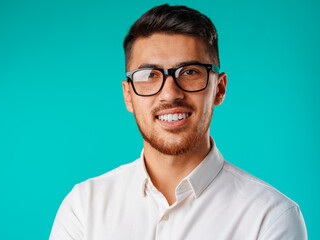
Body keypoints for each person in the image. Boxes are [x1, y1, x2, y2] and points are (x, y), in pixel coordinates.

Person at [49, 4, 307, 240]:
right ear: (128, 95)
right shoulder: (84, 208)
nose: (170, 93)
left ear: (219, 88)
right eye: (149, 75)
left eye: (190, 72)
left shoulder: (271, 218)